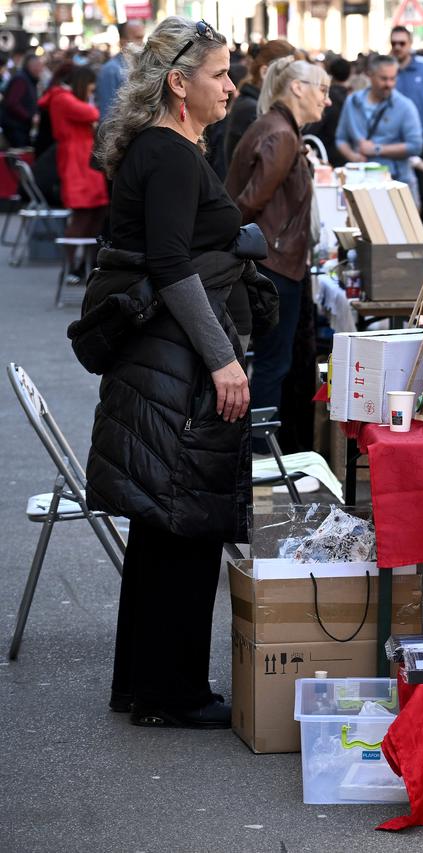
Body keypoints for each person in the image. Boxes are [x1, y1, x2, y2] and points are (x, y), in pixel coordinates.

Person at [88, 17, 277, 729]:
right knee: (183, 516)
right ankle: (169, 691)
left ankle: (147, 684)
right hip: (175, 356)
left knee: (165, 518)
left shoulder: (169, 146)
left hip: (168, 354)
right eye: (221, 73)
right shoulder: (167, 152)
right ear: (179, 82)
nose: (232, 85)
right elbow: (169, 264)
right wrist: (223, 357)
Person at [226, 57, 328, 448]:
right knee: (272, 364)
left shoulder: (277, 128)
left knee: (270, 362)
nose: (327, 100)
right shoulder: (281, 134)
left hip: (274, 260)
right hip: (274, 263)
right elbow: (248, 203)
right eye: (322, 89)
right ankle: (260, 459)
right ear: (297, 88)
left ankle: (259, 456)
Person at [39, 64, 108, 277]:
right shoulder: (62, 98)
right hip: (78, 163)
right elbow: (91, 112)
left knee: (95, 214)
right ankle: (70, 267)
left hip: (82, 161)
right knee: (81, 217)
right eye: (90, 87)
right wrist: (89, 103)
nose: (92, 91)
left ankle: (84, 266)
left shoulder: (61, 97)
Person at [336, 55, 423, 199]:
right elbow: (341, 139)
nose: (389, 84)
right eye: (383, 78)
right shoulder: (352, 102)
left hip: (396, 186)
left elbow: (416, 145)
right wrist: (353, 156)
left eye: (393, 78)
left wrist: (377, 149)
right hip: (360, 186)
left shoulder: (405, 106)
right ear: (370, 75)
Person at [222, 39, 295, 168]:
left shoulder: (252, 104)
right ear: (265, 72)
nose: (294, 85)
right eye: (288, 76)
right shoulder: (253, 109)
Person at [389, 26, 423, 155]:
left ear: (410, 43)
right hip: (392, 143)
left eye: (402, 43)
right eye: (394, 43)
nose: (397, 47)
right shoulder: (385, 70)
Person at [303, 56, 350, 167]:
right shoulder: (350, 97)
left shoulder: (349, 99)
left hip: (330, 156)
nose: (328, 102)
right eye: (322, 91)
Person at [96, 20, 145, 121]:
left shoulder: (143, 66)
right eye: (137, 38)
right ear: (123, 41)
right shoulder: (111, 70)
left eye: (143, 38)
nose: (142, 43)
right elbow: (107, 115)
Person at [1, 53, 43, 148]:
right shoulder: (21, 80)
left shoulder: (27, 79)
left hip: (20, 126)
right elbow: (12, 103)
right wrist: (30, 117)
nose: (41, 69)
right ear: (31, 66)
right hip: (15, 127)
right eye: (39, 66)